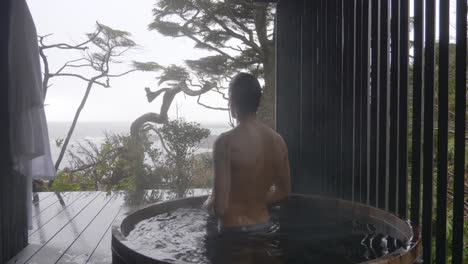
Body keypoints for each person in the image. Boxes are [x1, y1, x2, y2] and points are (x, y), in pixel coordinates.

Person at [204, 72, 291, 235]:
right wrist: (254, 200)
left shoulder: (225, 143)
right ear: (257, 101)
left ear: (232, 101)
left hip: (233, 230)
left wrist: (208, 203)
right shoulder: (278, 141)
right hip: (265, 226)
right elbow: (284, 192)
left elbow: (220, 207)